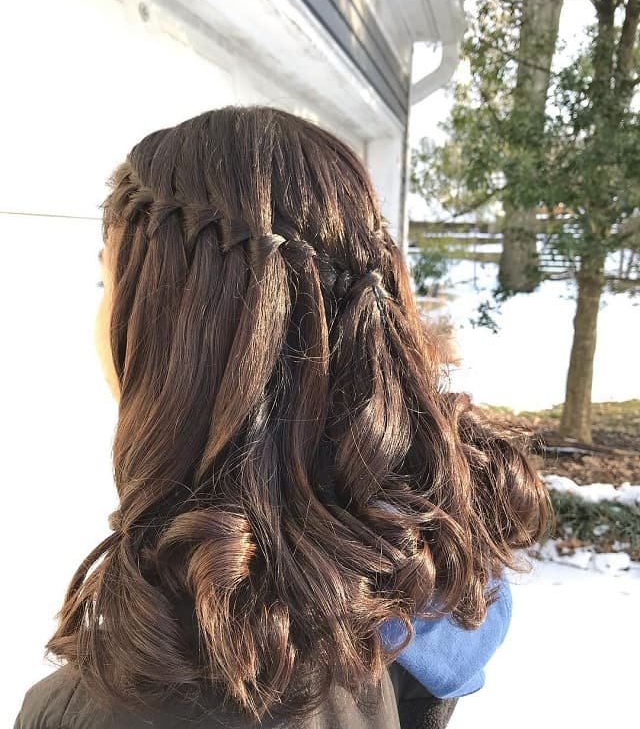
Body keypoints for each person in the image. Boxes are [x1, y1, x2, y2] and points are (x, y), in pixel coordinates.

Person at [14, 106, 549, 729]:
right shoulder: (420, 578)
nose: (101, 316)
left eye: (107, 280)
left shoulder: (117, 710)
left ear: (177, 334)